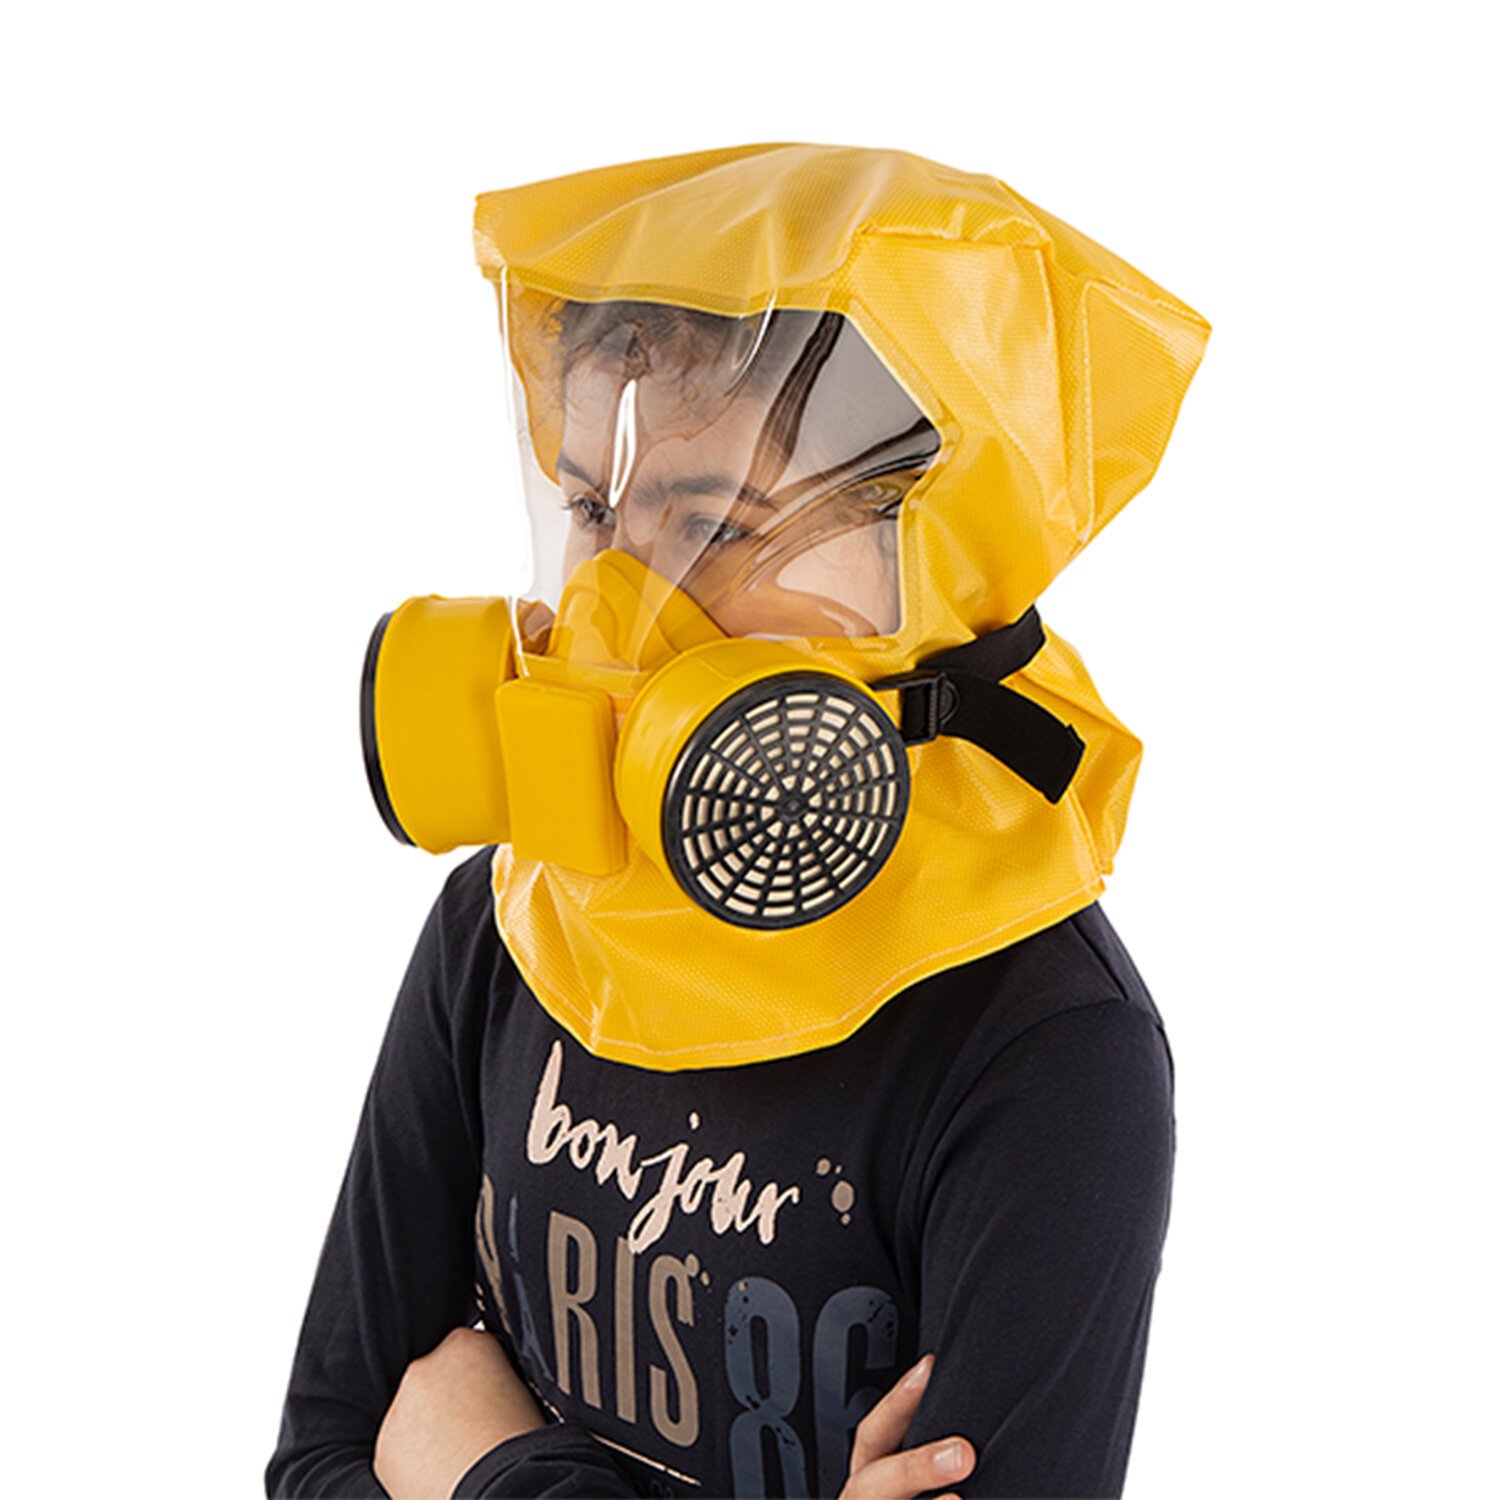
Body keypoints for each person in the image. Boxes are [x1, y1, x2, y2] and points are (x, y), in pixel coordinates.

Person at [266, 143, 1208, 1499]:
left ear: (929, 566)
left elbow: (390, 1449)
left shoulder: (1041, 1047)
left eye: (713, 525)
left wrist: (484, 1470)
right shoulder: (516, 921)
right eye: (592, 507)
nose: (618, 602)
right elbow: (315, 1462)